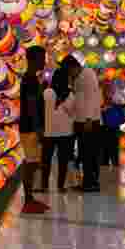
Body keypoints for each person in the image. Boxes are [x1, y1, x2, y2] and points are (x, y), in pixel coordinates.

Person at [19, 46, 49, 214]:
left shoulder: (32, 78)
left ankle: (30, 199)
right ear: (33, 59)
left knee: (33, 162)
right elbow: (31, 106)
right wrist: (38, 129)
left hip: (31, 127)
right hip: (30, 128)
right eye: (41, 58)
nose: (44, 62)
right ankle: (28, 201)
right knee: (31, 164)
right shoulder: (30, 79)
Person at [40, 56, 78, 191]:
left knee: (46, 160)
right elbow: (74, 114)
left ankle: (44, 186)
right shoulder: (71, 95)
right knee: (63, 160)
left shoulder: (47, 92)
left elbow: (41, 112)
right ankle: (60, 186)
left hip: (48, 131)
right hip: (66, 132)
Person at [73, 60, 102, 193]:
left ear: (74, 67)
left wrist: (88, 119)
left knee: (89, 154)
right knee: (86, 153)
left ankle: (91, 183)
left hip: (88, 122)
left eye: (70, 71)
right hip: (84, 120)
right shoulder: (81, 76)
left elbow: (91, 98)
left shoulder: (88, 74)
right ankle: (88, 182)